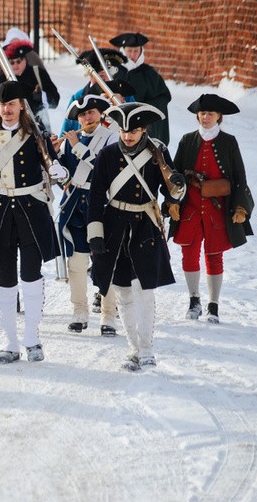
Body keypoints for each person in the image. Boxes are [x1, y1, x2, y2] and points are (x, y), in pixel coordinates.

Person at [0, 81, 69, 364]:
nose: (7, 110)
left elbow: (52, 163)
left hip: (31, 211)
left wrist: (57, 168)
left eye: (11, 104)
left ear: (21, 106)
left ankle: (32, 338)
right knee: (5, 279)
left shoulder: (36, 135)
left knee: (31, 275)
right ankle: (10, 342)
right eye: (2, 105)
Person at [87, 102, 186, 372]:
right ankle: (133, 349)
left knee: (145, 291)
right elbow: (95, 196)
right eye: (123, 131)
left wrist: (176, 185)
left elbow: (174, 194)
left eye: (134, 131)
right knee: (123, 292)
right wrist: (95, 231)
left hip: (146, 226)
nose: (128, 136)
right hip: (114, 227)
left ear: (144, 129)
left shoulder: (159, 152)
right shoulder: (107, 155)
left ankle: (146, 348)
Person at [167, 94, 254, 324]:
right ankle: (194, 299)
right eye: (202, 113)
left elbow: (239, 177)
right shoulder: (187, 140)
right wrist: (172, 202)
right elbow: (175, 177)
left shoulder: (229, 142)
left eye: (210, 114)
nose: (205, 117)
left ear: (219, 117)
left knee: (214, 255)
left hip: (218, 209)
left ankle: (213, 305)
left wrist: (240, 207)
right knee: (189, 252)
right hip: (191, 208)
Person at [57, 93, 119, 336]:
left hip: (102, 206)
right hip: (75, 206)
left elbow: (105, 169)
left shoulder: (111, 138)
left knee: (105, 261)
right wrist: (57, 169)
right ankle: (79, 311)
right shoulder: (69, 141)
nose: (87, 117)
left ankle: (108, 315)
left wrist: (77, 147)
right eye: (82, 114)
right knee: (77, 262)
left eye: (91, 112)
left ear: (100, 114)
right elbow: (62, 172)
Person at [109, 32, 172, 145]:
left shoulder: (149, 73)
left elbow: (164, 97)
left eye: (136, 51)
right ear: (123, 51)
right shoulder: (114, 71)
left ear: (141, 52)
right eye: (129, 51)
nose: (132, 54)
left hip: (140, 123)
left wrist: (145, 108)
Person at [0, 40, 60, 132]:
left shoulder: (38, 73)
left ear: (25, 59)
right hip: (9, 128)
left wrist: (41, 97)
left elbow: (55, 101)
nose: (15, 65)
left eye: (18, 61)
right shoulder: (1, 80)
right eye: (11, 62)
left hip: (37, 127)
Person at [60, 48, 132, 135]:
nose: (102, 81)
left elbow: (134, 125)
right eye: (98, 76)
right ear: (89, 74)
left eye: (105, 75)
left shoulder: (125, 95)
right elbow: (67, 130)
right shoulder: (78, 97)